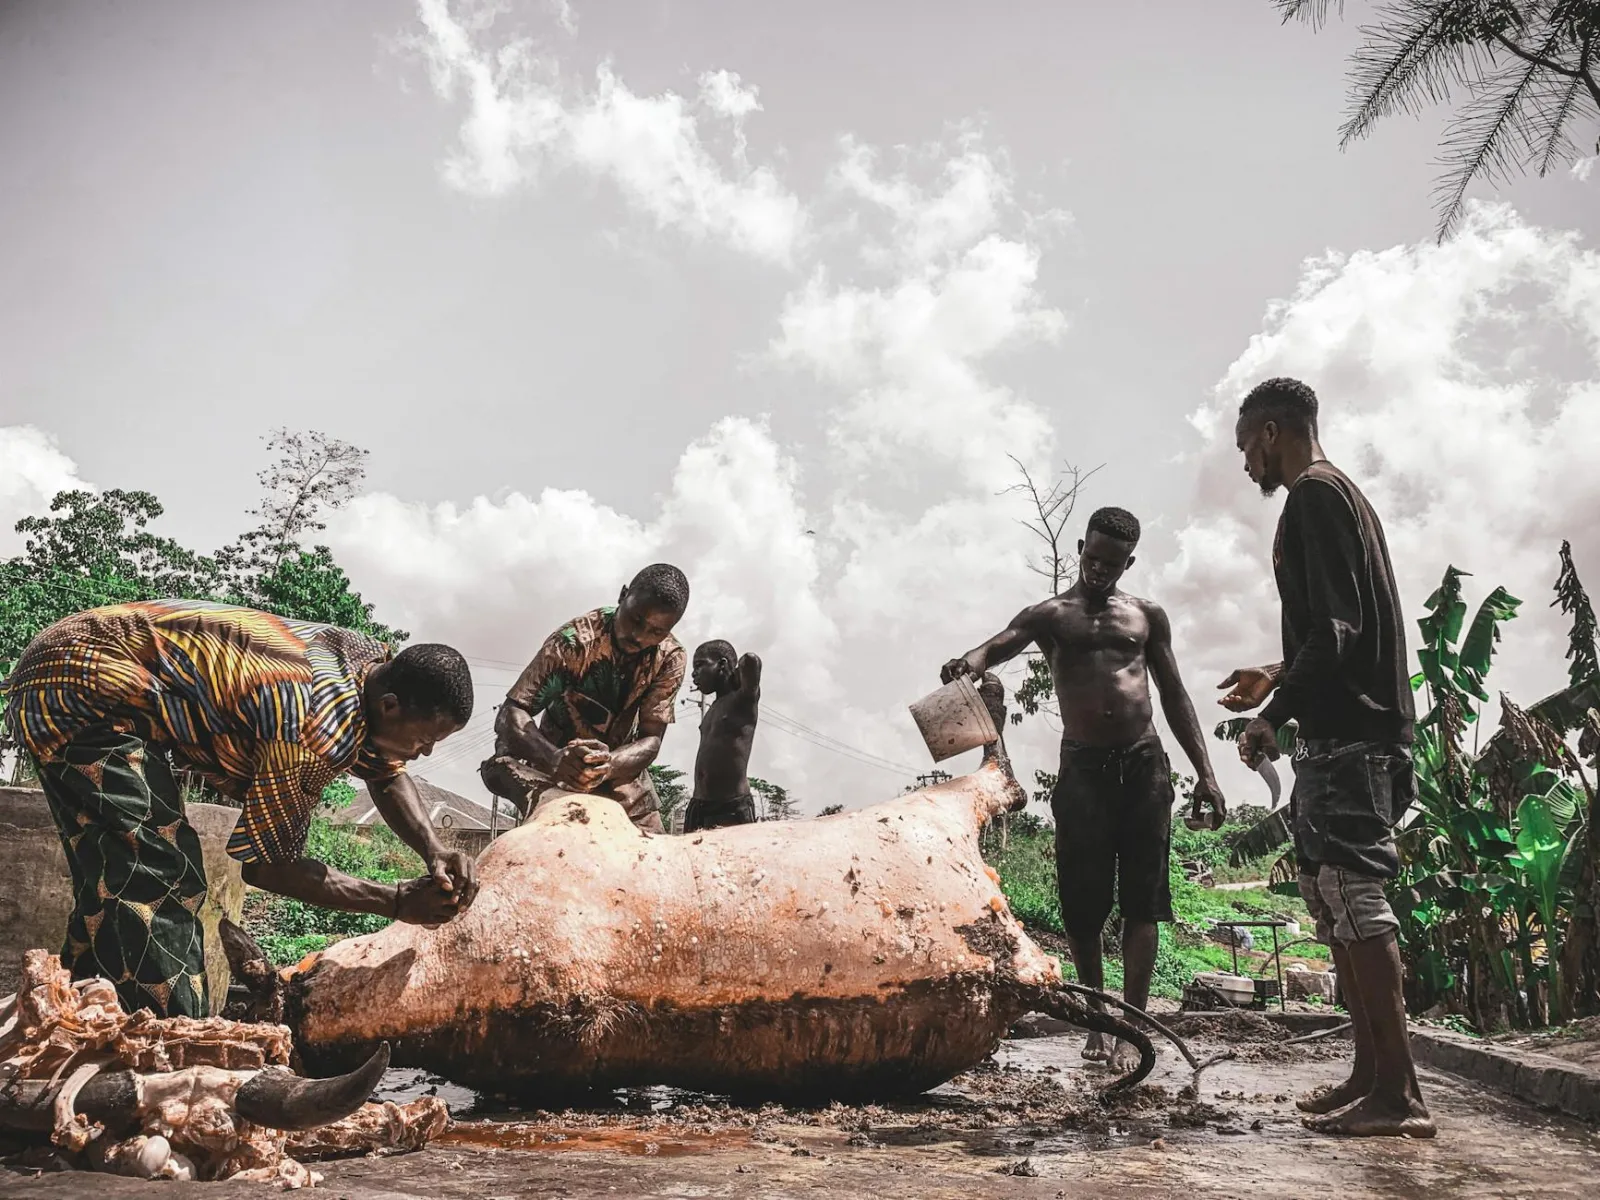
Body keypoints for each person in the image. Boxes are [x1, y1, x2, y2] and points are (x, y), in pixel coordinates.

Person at [2, 599, 479, 1019]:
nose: (427, 753)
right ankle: (172, 1047)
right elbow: (269, 868)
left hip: (85, 662)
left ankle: (70, 1021)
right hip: (80, 683)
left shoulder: (365, 665)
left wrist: (433, 848)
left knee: (115, 877)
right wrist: (394, 901)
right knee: (157, 870)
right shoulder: (312, 722)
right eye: (427, 738)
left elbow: (386, 770)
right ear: (391, 705)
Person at [1219, 377, 1434, 1138]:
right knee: (1334, 903)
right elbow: (1344, 631)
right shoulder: (1343, 496)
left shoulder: (1312, 495)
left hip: (1353, 739)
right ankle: (1370, 1073)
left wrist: (1273, 716)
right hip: (1350, 735)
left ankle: (1399, 1096)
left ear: (1272, 431)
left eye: (1247, 446)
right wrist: (1275, 674)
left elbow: (1339, 631)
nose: (1246, 465)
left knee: (1356, 901)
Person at [942, 507, 1225, 1073]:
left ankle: (1132, 1027)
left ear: (1130, 562)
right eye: (1092, 558)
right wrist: (968, 662)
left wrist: (1207, 774)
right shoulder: (1052, 616)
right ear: (1080, 547)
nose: (1099, 570)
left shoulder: (1146, 617)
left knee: (1143, 902)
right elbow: (1002, 643)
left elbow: (1174, 694)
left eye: (1112, 563)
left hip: (1145, 767)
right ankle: (1099, 1015)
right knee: (1082, 905)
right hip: (1084, 771)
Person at [481, 564, 689, 833]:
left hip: (619, 775)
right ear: (623, 595)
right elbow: (511, 713)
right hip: (554, 770)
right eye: (635, 620)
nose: (639, 637)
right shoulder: (573, 642)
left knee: (658, 860)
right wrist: (554, 758)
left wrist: (609, 765)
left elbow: (651, 739)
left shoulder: (670, 657)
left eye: (656, 632)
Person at [683, 640, 762, 832]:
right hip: (699, 805)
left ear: (723, 664)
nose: (694, 673)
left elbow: (751, 660)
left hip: (731, 806)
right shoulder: (713, 709)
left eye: (700, 665)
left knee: (734, 861)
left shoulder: (742, 699)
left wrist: (736, 674)